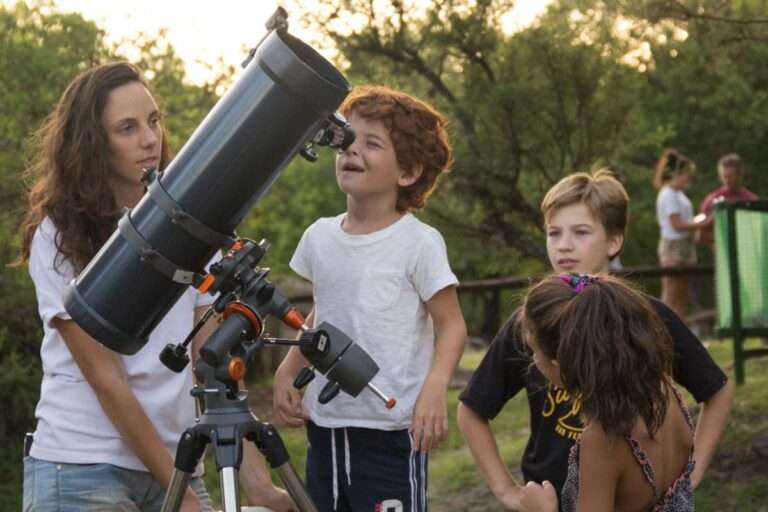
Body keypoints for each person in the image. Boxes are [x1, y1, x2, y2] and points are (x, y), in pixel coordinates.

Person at [18, 62, 294, 512]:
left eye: (153, 121)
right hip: (82, 469)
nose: (150, 139)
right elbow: (106, 379)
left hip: (177, 464)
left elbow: (213, 363)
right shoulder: (59, 233)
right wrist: (180, 495)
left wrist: (258, 485)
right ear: (93, 144)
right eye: (127, 128)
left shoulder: (189, 226)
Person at [457, 170, 732, 510]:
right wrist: (506, 491)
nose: (564, 245)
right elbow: (472, 410)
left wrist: (693, 473)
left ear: (614, 241)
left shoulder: (647, 317)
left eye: (581, 232)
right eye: (553, 233)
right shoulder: (533, 321)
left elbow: (717, 389)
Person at [272, 85, 467, 512]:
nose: (350, 150)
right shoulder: (319, 237)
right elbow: (322, 313)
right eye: (346, 138)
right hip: (325, 425)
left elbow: (452, 324)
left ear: (408, 172)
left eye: (371, 143)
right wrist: (289, 370)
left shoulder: (419, 243)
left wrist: (435, 390)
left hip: (391, 430)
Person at [516, 274, 695, 511]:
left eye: (534, 351)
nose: (533, 361)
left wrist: (543, 509)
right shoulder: (664, 389)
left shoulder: (603, 439)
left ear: (560, 363)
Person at [653, 148, 708, 320]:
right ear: (677, 173)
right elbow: (676, 225)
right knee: (671, 297)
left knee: (681, 299)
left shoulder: (680, 195)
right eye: (686, 175)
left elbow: (687, 220)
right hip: (673, 246)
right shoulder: (667, 194)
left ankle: (678, 337)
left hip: (685, 245)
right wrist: (704, 222)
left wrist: (701, 219)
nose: (688, 179)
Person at [697, 153, 759, 247]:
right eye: (723, 176)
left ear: (739, 175)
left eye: (730, 176)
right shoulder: (712, 200)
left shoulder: (752, 200)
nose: (726, 180)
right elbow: (700, 235)